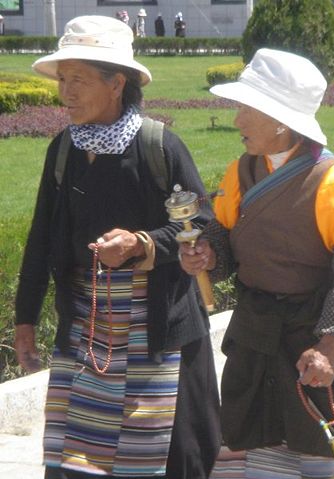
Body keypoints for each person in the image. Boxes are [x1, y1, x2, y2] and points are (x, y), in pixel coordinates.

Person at [14, 15, 221, 479]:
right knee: (79, 460)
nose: (66, 92)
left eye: (79, 80)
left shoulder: (159, 146)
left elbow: (200, 223)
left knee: (169, 458)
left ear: (116, 83)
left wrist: (142, 243)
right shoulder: (63, 149)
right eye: (63, 79)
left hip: (158, 333)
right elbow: (42, 238)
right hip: (86, 334)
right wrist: (25, 319)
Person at [179, 48, 334, 479]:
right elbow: (224, 234)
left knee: (323, 452)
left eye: (246, 108)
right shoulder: (239, 172)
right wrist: (207, 253)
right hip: (257, 336)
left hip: (314, 341)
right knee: (260, 448)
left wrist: (330, 349)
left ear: (280, 120)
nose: (236, 120)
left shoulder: (332, 181)